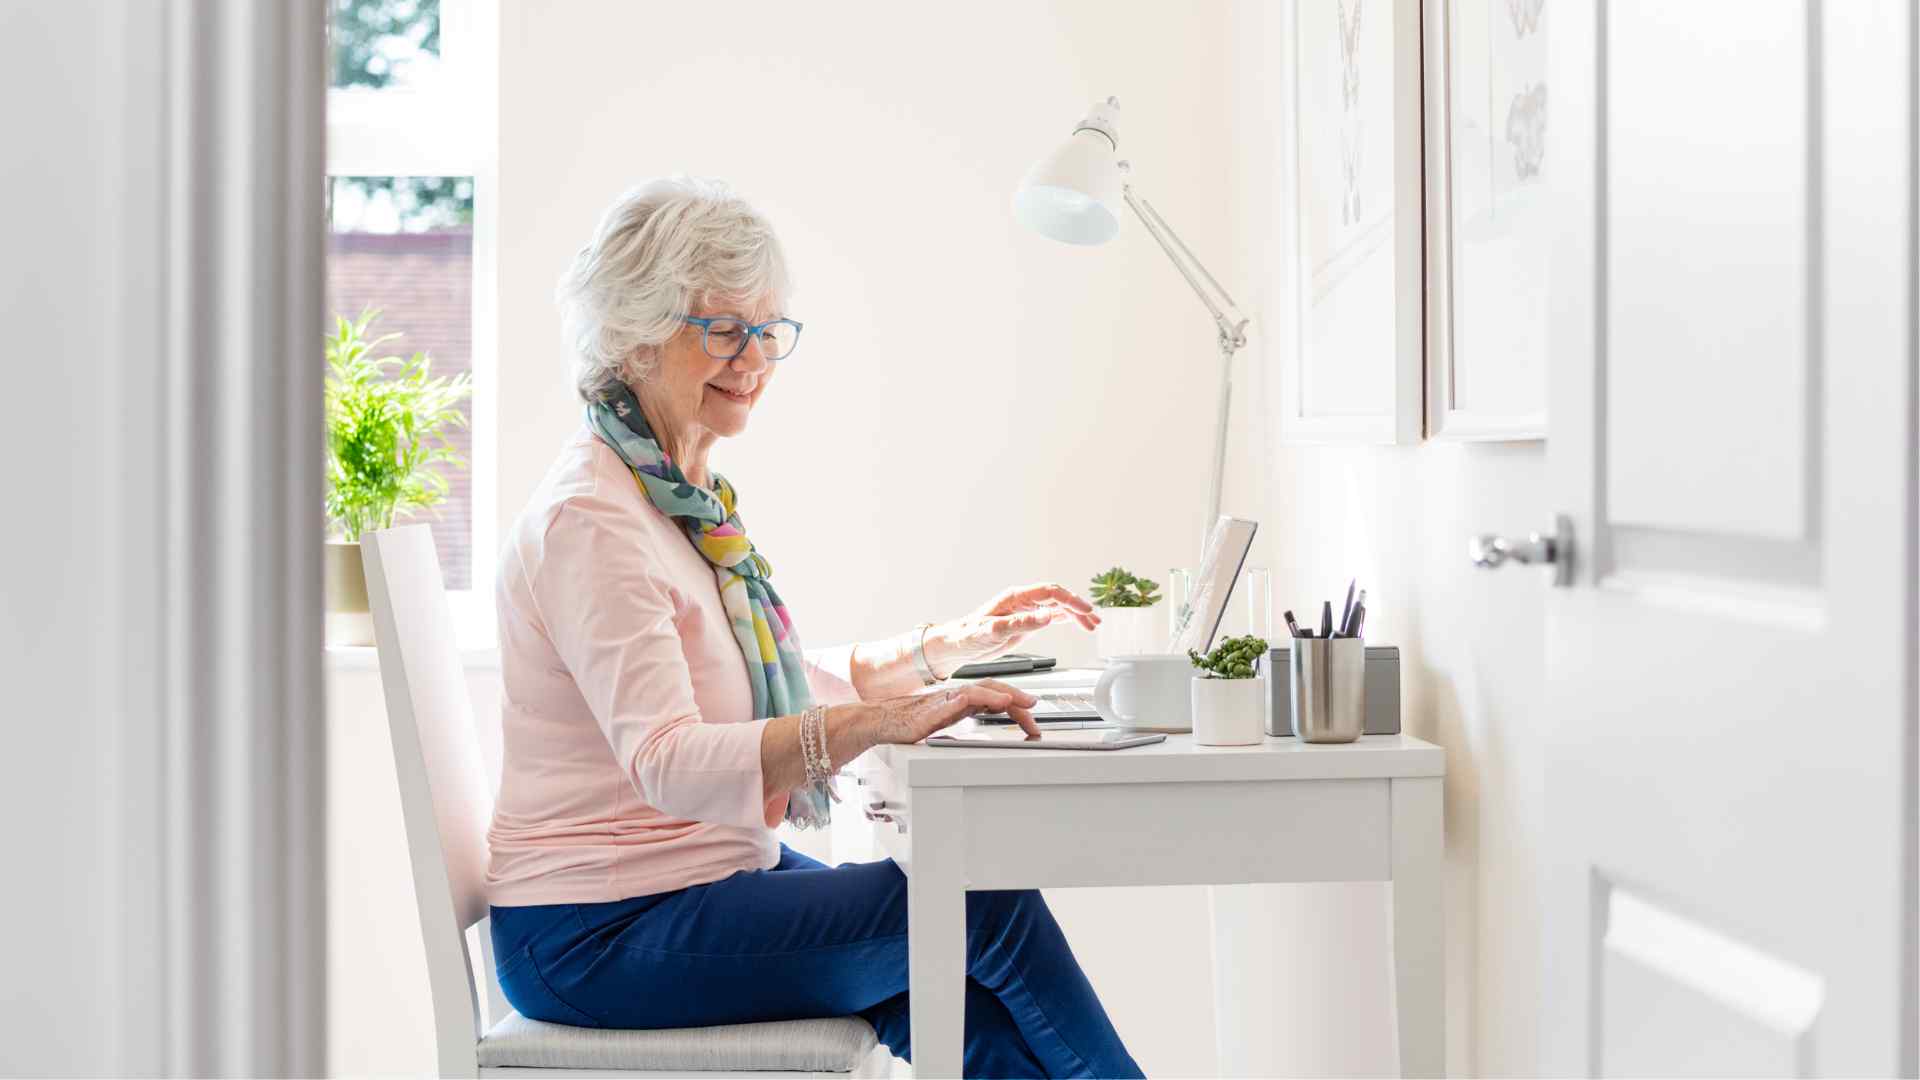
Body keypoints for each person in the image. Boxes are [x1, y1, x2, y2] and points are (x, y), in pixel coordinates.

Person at [484, 175, 1144, 1079]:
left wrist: (936, 650)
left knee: (955, 987)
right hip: (597, 933)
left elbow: (763, 687)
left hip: (685, 887)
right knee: (977, 907)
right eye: (722, 330)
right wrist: (876, 725)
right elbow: (669, 759)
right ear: (634, 335)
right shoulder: (593, 520)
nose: (752, 359)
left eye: (768, 331)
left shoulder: (675, 499)